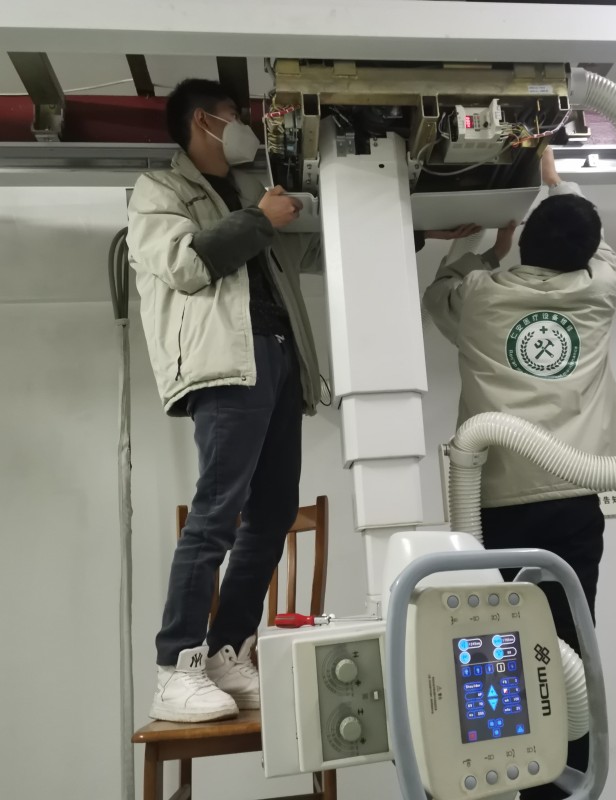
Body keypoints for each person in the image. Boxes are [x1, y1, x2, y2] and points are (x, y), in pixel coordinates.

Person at [422, 146, 616, 799]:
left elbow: (437, 293)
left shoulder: (481, 298)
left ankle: (495, 775)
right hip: (574, 500)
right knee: (568, 650)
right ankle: (560, 787)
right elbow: (600, 245)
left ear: (524, 245)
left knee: (494, 654)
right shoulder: (599, 293)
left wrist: (489, 244)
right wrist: (555, 179)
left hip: (495, 506)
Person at [127, 79, 322, 723]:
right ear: (202, 122)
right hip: (225, 363)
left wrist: (415, 231)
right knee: (217, 512)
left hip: (278, 357)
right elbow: (184, 265)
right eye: (234, 116)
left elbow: (306, 254)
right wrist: (259, 219)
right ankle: (174, 667)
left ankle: (225, 652)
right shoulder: (160, 189)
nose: (244, 127)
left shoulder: (248, 192)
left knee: (272, 512)